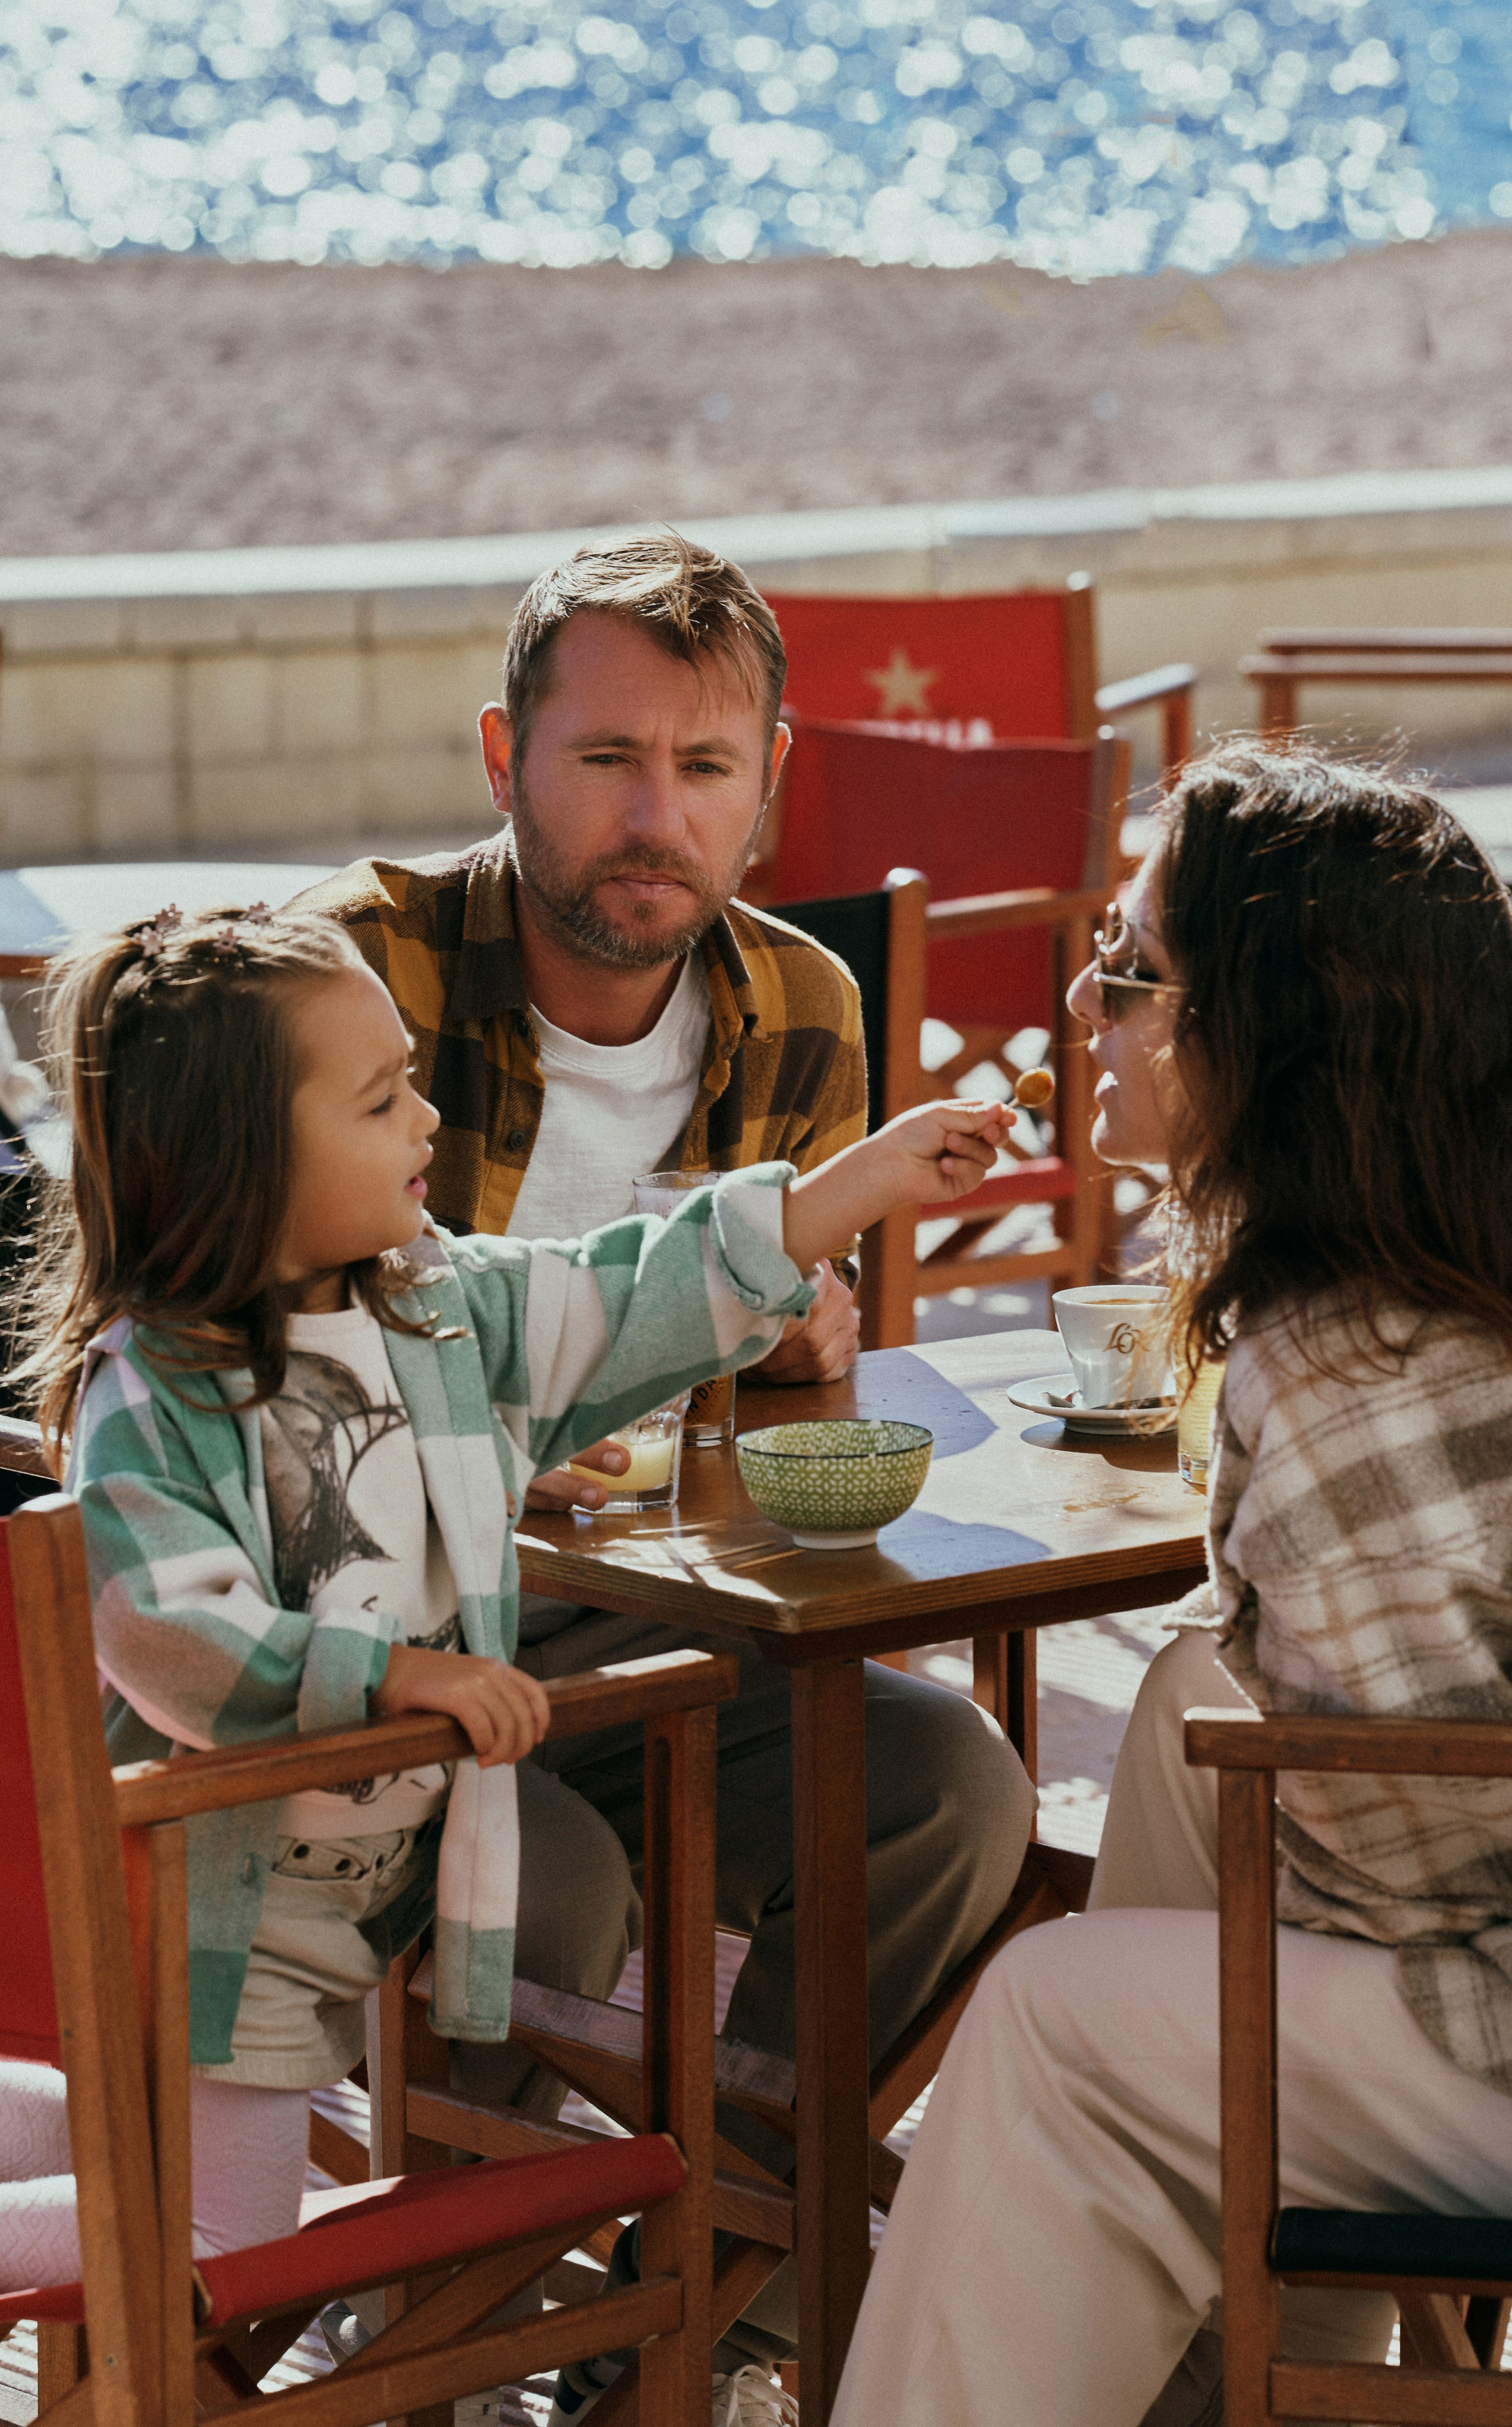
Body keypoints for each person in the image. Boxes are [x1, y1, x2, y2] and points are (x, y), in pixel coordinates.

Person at [20, 901, 1010, 2368]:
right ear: (240, 1166)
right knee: (206, 2243)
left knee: (221, 2190)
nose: (424, 1115)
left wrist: (858, 1180)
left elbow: (632, 1290)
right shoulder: (149, 1397)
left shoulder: (436, 1311)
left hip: (394, 1867)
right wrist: (399, 1674)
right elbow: (177, 1640)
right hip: (226, 1917)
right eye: (378, 1101)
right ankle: (406, 2351)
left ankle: (477, 2350)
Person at [296, 532, 1037, 2409]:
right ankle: (440, 2336)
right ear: (503, 757)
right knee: (536, 1888)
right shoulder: (342, 981)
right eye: (607, 759)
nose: (656, 815)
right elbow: (247, 1366)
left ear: (771, 788)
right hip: (360, 1658)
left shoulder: (803, 1011)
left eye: (705, 769)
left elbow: (772, 1399)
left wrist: (797, 1355)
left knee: (949, 1789)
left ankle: (716, 2326)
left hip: (646, 1642)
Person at [832, 742, 1512, 2427]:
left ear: (1264, 1039)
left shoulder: (1358, 1371)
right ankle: (1264, 2388)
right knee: (1194, 1710)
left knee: (1058, 2028)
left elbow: (1412, 1872)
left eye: (1129, 971)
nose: (1084, 994)